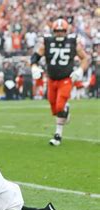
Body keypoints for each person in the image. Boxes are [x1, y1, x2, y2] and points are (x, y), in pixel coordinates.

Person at [31, 18, 89, 146]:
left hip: (66, 79)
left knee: (59, 106)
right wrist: (34, 66)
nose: (59, 33)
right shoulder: (47, 42)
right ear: (53, 31)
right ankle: (65, 112)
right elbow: (35, 56)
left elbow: (85, 58)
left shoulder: (73, 42)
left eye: (62, 31)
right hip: (51, 79)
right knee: (54, 107)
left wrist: (80, 70)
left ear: (66, 31)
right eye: (57, 31)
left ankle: (58, 135)